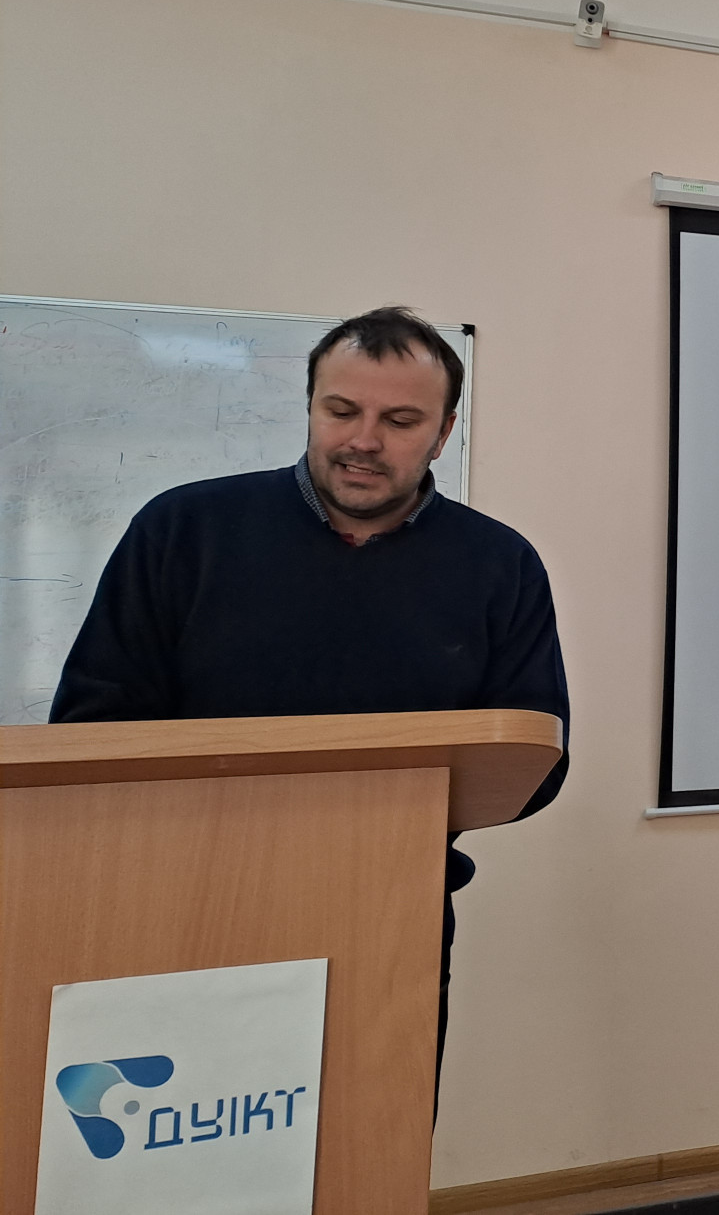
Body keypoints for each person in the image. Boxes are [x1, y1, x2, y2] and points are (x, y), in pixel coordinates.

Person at [51, 305, 568, 1108]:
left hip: (392, 917)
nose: (364, 439)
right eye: (342, 410)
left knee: (373, 1143)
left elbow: (532, 760)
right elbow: (90, 727)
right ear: (309, 408)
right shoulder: (183, 531)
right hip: (182, 911)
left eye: (400, 421)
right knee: (189, 1149)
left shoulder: (500, 565)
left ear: (443, 434)